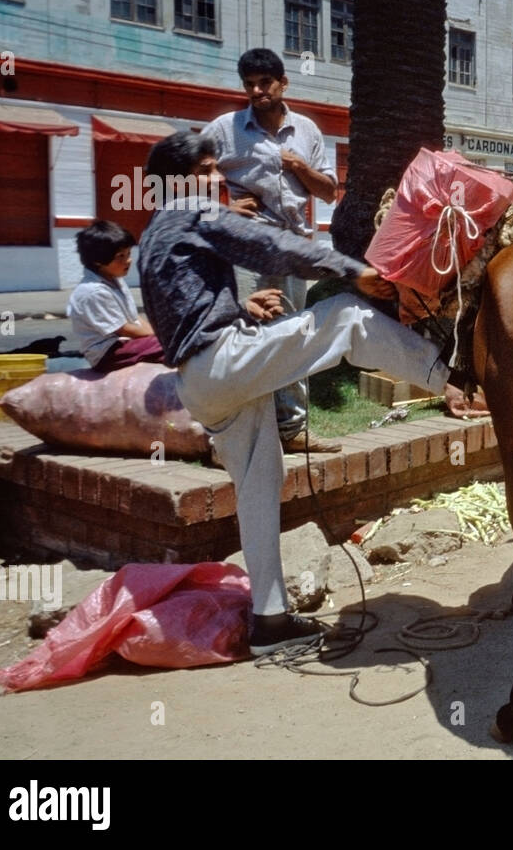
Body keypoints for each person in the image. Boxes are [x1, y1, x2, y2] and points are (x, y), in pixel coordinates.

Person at [137, 131, 463, 655]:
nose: (217, 178)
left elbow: (180, 310)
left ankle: (269, 622)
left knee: (259, 485)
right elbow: (272, 243)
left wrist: (243, 310)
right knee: (347, 317)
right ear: (178, 182)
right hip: (224, 364)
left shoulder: (153, 234)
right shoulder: (194, 212)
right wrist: (351, 270)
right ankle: (452, 381)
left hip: (199, 382)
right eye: (204, 170)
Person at [204, 48, 341, 454]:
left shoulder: (308, 132)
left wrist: (299, 167)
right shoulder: (224, 129)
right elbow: (174, 177)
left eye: (265, 83)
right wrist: (221, 207)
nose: (257, 91)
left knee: (292, 336)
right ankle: (228, 435)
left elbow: (330, 192)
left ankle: (292, 429)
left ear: (284, 83)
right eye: (249, 84)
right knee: (240, 335)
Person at [66, 221, 165, 372]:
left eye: (129, 254)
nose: (128, 260)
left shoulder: (116, 280)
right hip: (108, 353)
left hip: (126, 344)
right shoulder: (93, 292)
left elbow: (134, 318)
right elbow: (124, 329)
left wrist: (160, 333)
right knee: (168, 347)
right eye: (120, 256)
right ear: (98, 260)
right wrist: (162, 337)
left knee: (169, 342)